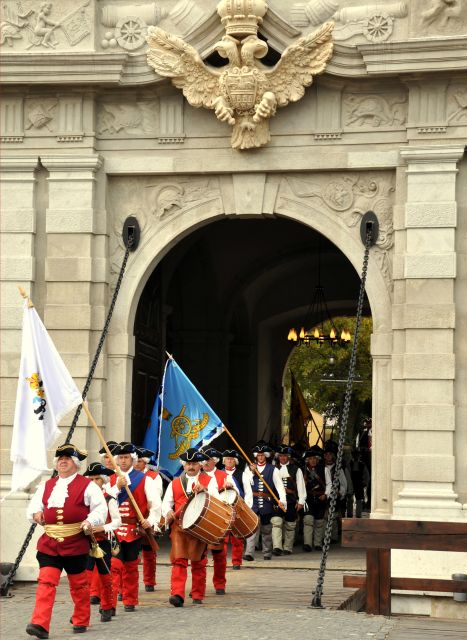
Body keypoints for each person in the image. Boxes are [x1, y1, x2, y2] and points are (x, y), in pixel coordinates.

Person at [25, 444, 107, 639]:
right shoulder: (46, 485)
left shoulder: (88, 486)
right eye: (60, 458)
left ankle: (81, 618)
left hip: (75, 543)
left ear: (76, 464)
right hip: (49, 543)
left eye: (67, 458)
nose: (62, 461)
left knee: (79, 585)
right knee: (46, 582)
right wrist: (36, 513)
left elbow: (100, 510)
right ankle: (39, 624)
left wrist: (89, 521)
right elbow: (34, 506)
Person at [161, 448, 221, 607]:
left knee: (198, 562)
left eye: (194, 463)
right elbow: (166, 503)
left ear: (200, 464)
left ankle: (197, 594)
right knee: (179, 561)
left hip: (199, 527)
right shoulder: (174, 483)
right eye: (188, 463)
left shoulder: (209, 480)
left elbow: (217, 499)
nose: (191, 466)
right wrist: (168, 512)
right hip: (179, 527)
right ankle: (177, 594)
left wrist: (206, 490)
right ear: (184, 465)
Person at [107, 442, 161, 612]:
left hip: (133, 530)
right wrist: (117, 487)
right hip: (114, 530)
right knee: (114, 565)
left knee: (130, 566)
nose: (123, 461)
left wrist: (149, 521)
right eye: (120, 458)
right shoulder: (111, 479)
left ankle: (130, 600)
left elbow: (155, 505)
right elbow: (104, 501)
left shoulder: (144, 479)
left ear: (133, 459)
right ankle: (110, 604)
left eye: (126, 458)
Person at [83, 462, 121, 622]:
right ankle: (81, 612)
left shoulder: (109, 499)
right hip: (85, 543)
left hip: (103, 542)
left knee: (106, 576)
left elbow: (117, 522)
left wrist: (102, 528)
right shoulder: (82, 499)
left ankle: (107, 606)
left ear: (104, 480)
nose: (93, 482)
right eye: (90, 479)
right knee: (83, 578)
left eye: (97, 479)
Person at [199, 446, 235, 595]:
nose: (205, 463)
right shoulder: (196, 475)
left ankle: (220, 584)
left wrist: (230, 486)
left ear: (214, 461)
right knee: (199, 556)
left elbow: (235, 495)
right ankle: (198, 585)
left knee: (219, 555)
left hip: (219, 518)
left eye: (208, 459)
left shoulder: (223, 475)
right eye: (204, 460)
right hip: (201, 519)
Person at [243, 443, 286, 561]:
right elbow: (246, 484)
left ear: (266, 456)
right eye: (259, 455)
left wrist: (282, 500)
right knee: (252, 527)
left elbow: (280, 487)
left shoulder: (273, 469)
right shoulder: (249, 468)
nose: (260, 457)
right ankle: (249, 553)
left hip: (266, 502)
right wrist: (252, 472)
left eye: (262, 455)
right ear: (256, 456)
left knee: (266, 529)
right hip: (253, 501)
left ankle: (267, 552)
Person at [134, 447, 164, 592]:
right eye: (136, 460)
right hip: (131, 518)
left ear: (145, 462)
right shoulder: (127, 475)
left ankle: (149, 581)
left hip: (147, 516)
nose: (136, 464)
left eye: (139, 461)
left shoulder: (154, 476)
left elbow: (155, 497)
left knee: (149, 551)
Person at [271, 445, 306, 556]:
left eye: (285, 456)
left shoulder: (296, 469)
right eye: (281, 456)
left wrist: (301, 501)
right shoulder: (273, 468)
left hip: (291, 501)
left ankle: (288, 548)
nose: (283, 458)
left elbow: (301, 485)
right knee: (276, 522)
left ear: (288, 457)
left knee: (290, 525)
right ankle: (277, 547)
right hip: (278, 501)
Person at [222, 449, 245, 569]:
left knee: (237, 537)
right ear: (224, 461)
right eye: (227, 459)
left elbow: (248, 492)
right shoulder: (219, 474)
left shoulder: (242, 474)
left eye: (231, 459)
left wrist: (247, 508)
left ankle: (237, 562)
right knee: (223, 538)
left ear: (235, 461)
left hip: (238, 508)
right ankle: (222, 562)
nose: (229, 461)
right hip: (223, 508)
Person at [302, 446, 328, 551]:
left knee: (319, 522)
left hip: (320, 497)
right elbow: (300, 486)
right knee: (308, 520)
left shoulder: (324, 469)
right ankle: (307, 544)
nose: (312, 460)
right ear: (307, 460)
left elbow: (330, 484)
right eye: (310, 458)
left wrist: (325, 494)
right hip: (308, 498)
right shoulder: (303, 470)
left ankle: (318, 544)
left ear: (317, 459)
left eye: (314, 458)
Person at [323, 440, 347, 543]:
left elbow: (344, 484)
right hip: (323, 495)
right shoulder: (321, 468)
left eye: (330, 454)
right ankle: (324, 536)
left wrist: (340, 493)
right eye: (326, 454)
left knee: (333, 517)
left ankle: (333, 537)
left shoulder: (338, 469)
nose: (328, 456)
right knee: (324, 516)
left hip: (334, 496)